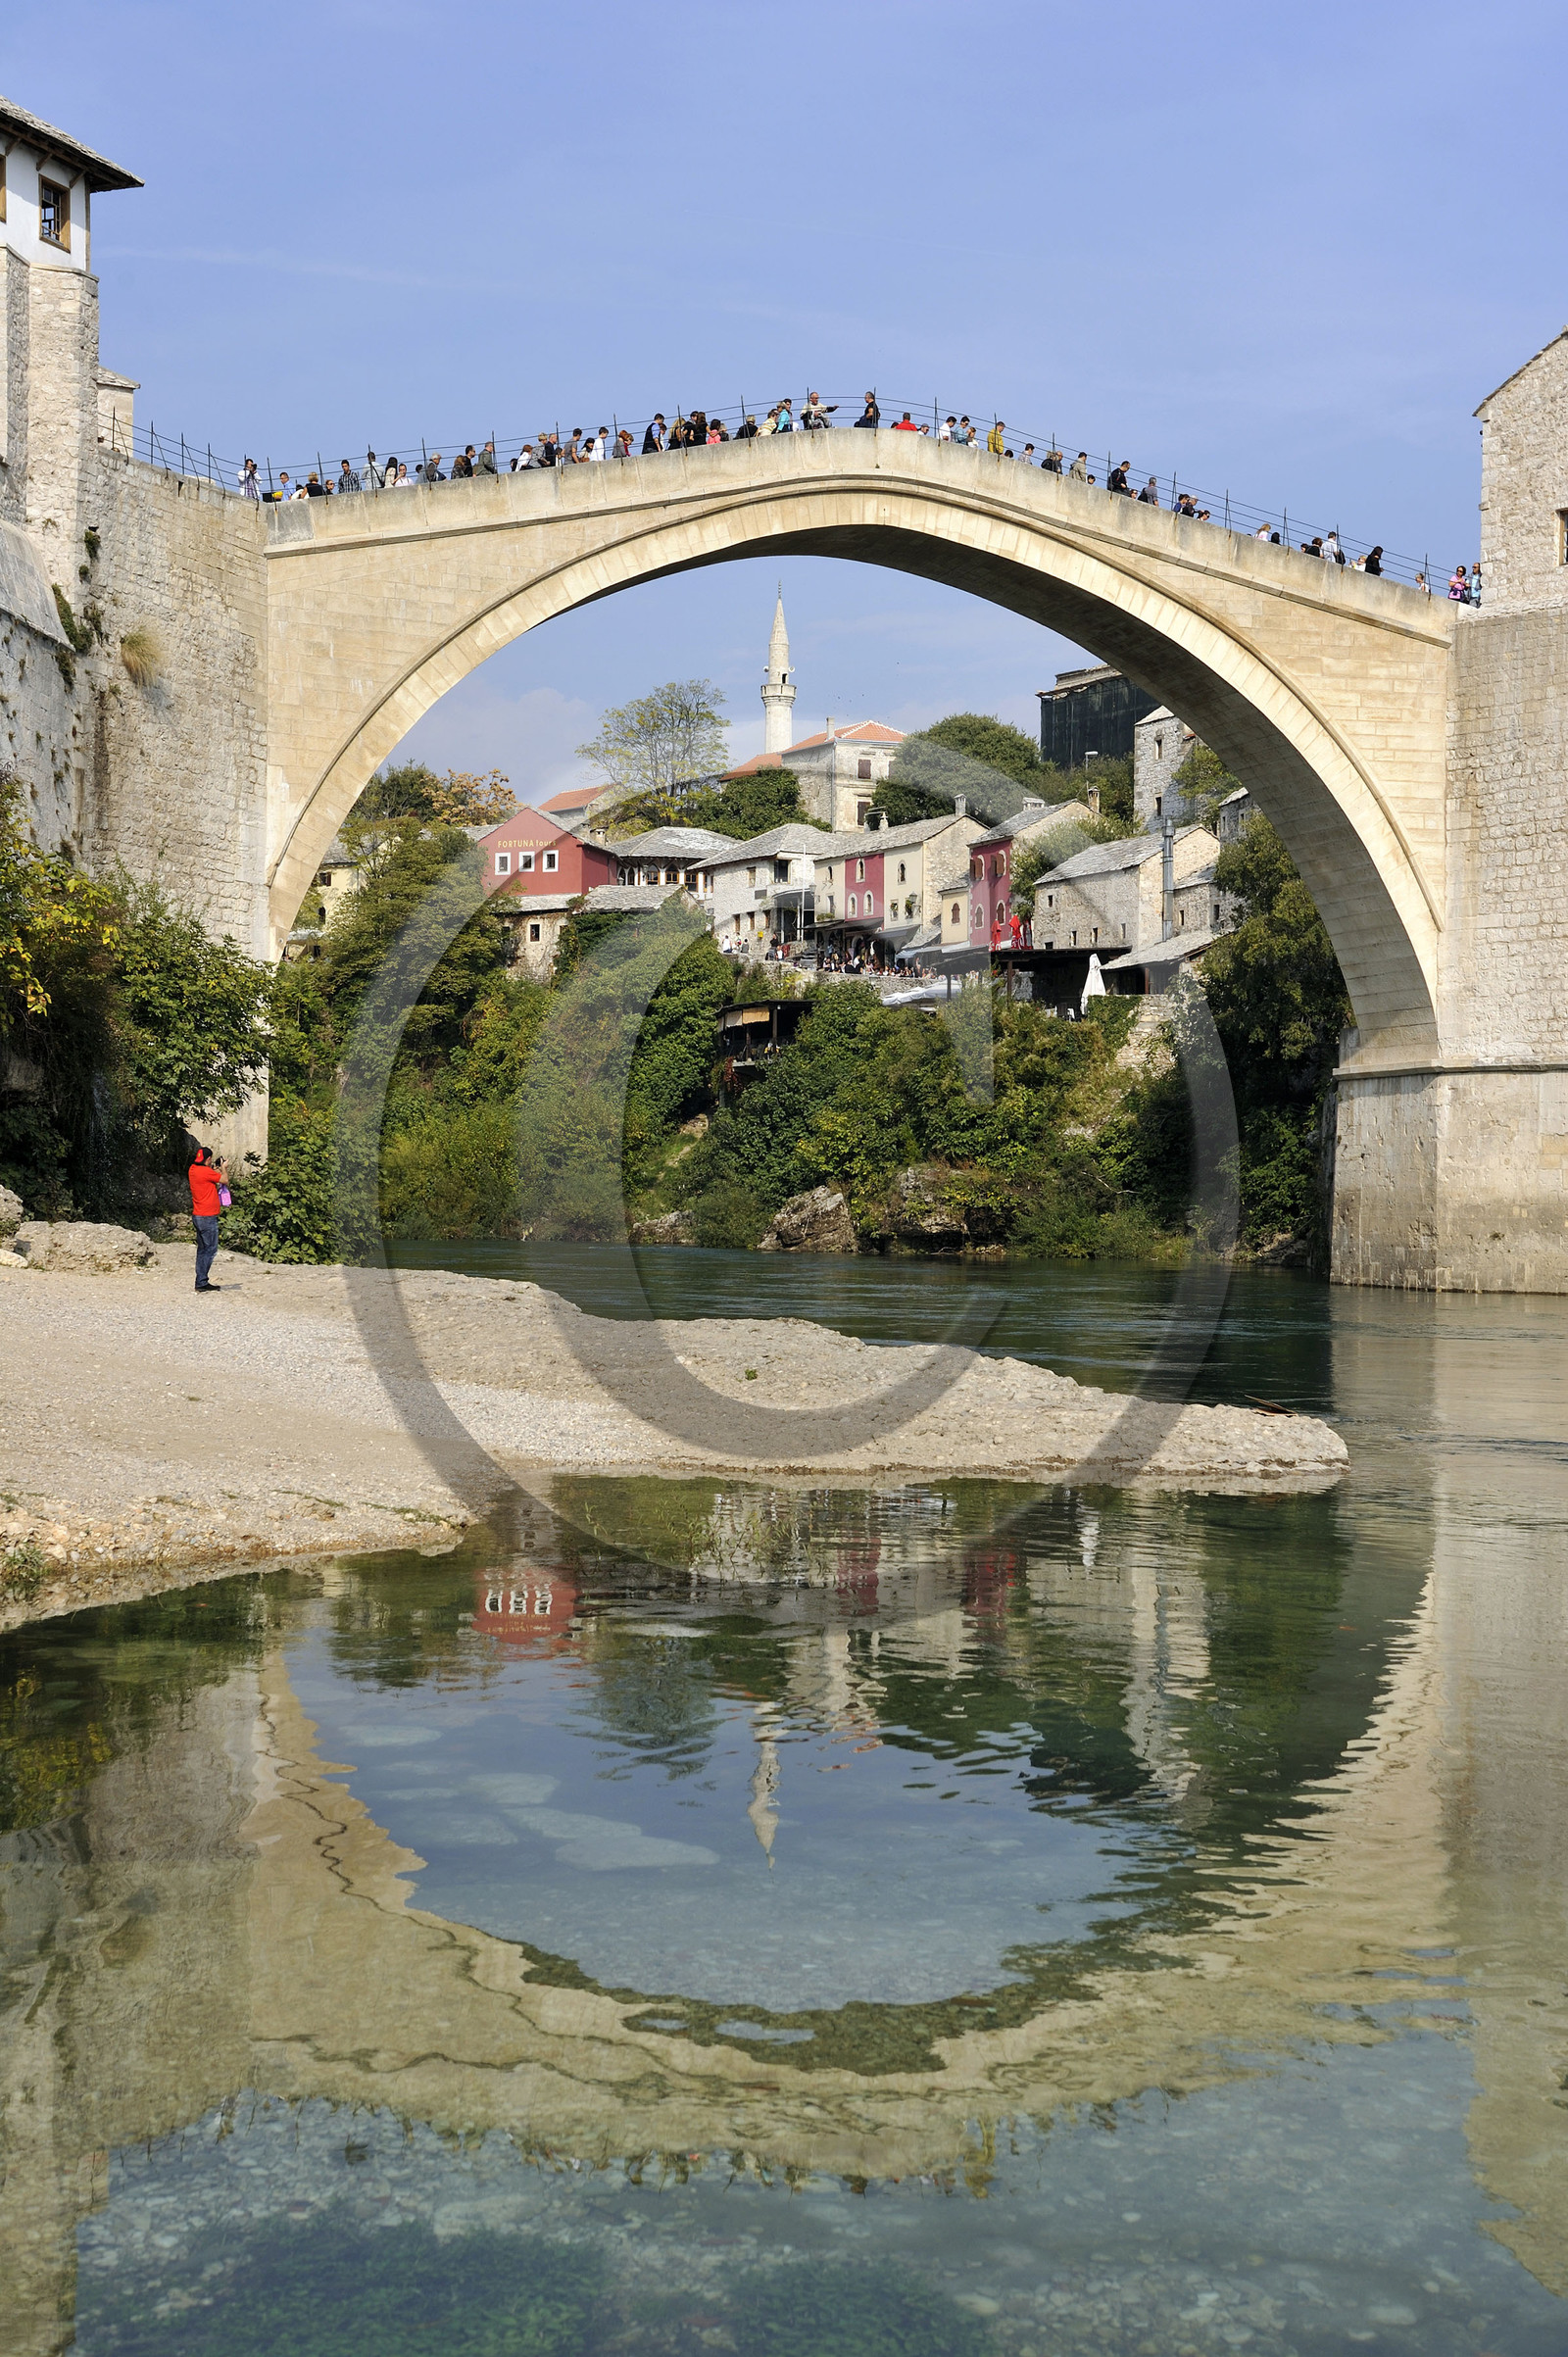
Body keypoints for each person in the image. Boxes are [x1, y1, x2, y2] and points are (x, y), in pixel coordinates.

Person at [188, 1146, 226, 1294]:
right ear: (208, 1159)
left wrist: (215, 1167)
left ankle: (201, 1281)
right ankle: (202, 1282)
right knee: (210, 1250)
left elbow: (208, 1174)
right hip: (207, 1216)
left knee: (202, 1249)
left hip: (198, 1215)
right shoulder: (205, 1171)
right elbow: (225, 1179)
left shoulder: (193, 1169)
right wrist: (223, 1168)